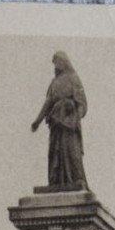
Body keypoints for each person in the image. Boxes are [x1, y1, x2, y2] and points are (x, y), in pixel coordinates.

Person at [31, 51, 88, 190]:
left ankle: (75, 179)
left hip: (69, 122)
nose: (56, 65)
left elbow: (81, 102)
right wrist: (37, 121)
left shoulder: (73, 78)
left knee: (71, 150)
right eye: (55, 62)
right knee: (55, 152)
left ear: (64, 62)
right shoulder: (54, 83)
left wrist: (76, 118)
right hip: (56, 122)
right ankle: (56, 182)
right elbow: (48, 102)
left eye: (58, 61)